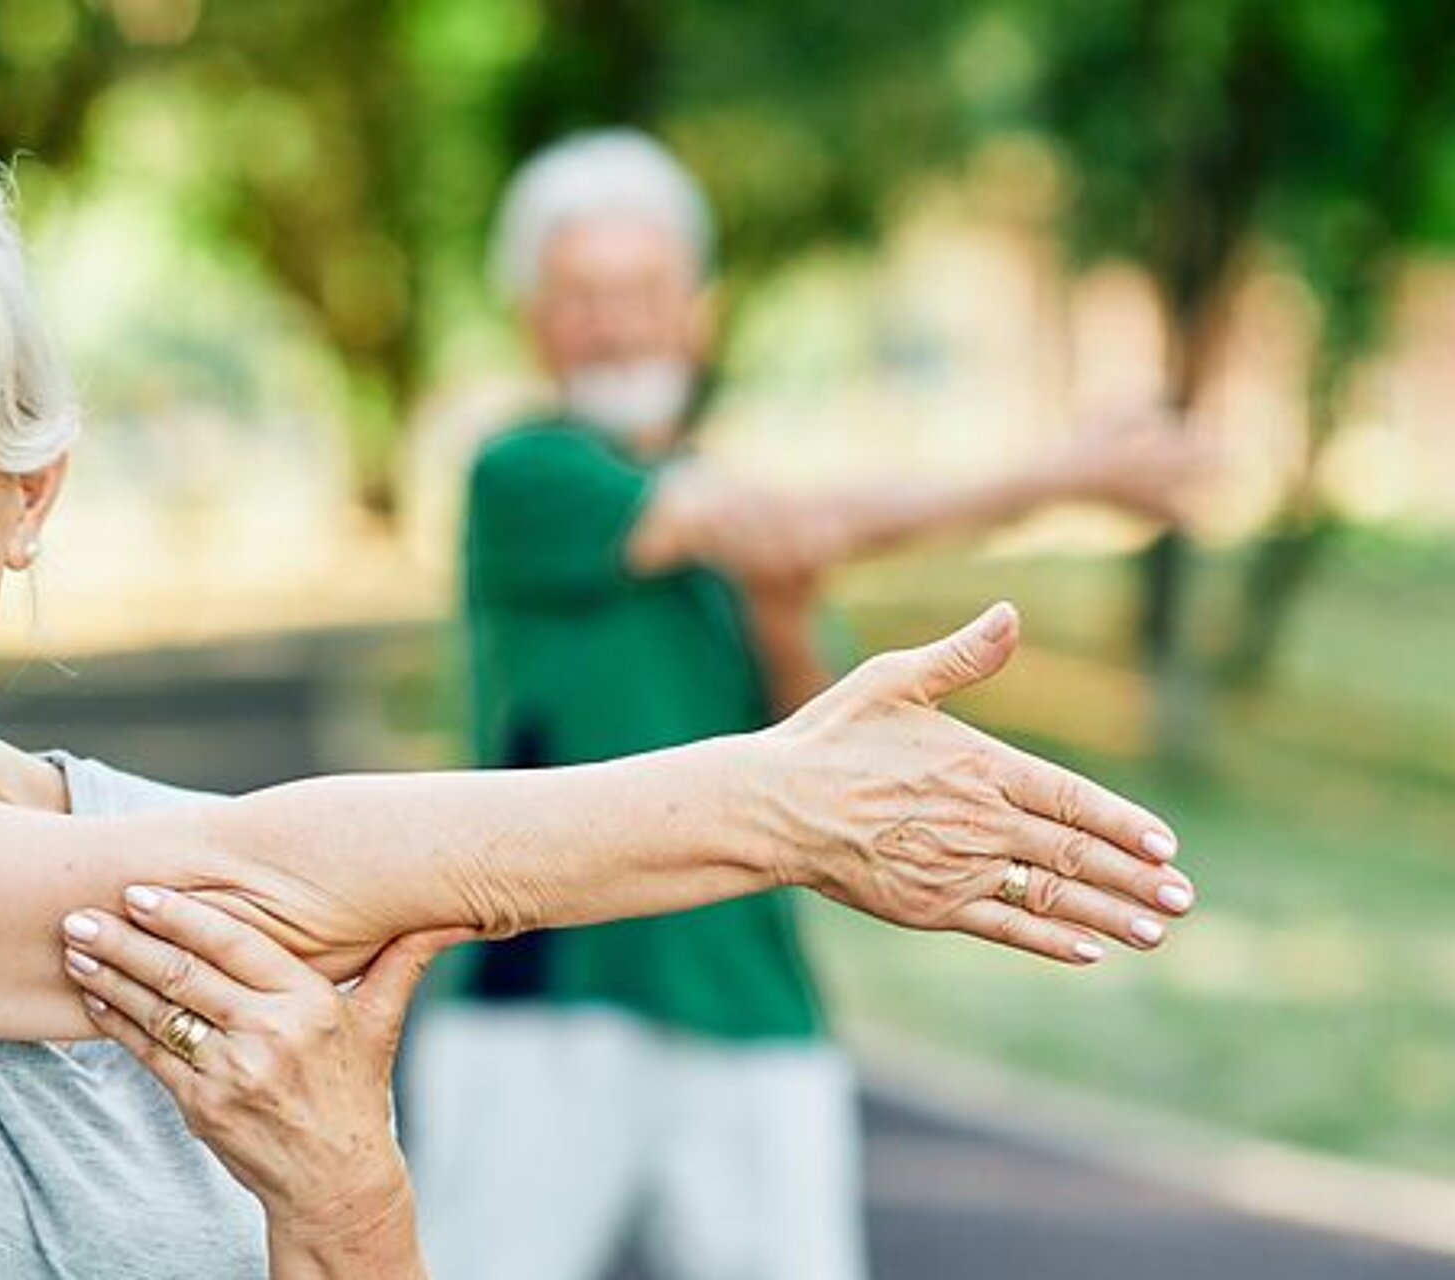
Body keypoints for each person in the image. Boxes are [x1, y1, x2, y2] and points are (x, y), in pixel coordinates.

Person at [0, 123, 1197, 1279]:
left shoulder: (187, 864)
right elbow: (263, 878)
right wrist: (778, 806)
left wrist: (353, 1206)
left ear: (30, 494)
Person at [409, 128, 1208, 1280]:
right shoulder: (525, 473)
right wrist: (1055, 477)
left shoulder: (748, 507)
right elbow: (771, 524)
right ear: (533, 319)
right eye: (581, 296)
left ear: (699, 309)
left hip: (748, 996)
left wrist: (784, 602)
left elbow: (807, 722)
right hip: (543, 995)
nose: (617, 322)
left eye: (642, 290)